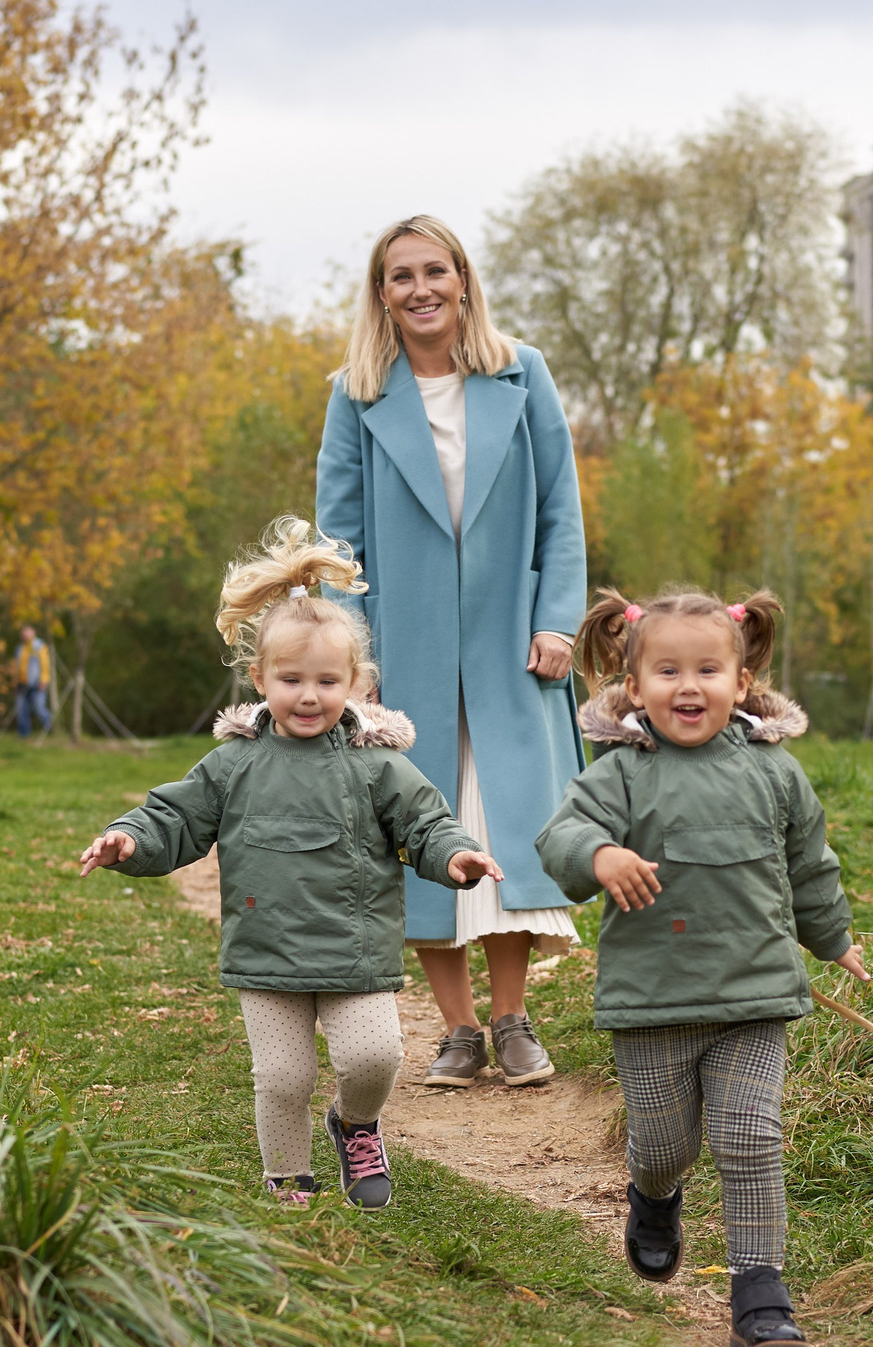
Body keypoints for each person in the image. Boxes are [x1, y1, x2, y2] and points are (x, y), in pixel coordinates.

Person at [79, 518, 500, 1209]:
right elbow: (176, 816)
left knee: (374, 1057)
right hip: (267, 949)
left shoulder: (376, 765)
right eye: (292, 679)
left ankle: (356, 1123)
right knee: (282, 1077)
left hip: (354, 948)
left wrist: (455, 855)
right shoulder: (234, 762)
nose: (309, 695)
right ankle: (288, 1186)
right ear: (259, 678)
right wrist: (130, 839)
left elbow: (425, 821)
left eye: (327, 680)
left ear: (358, 685)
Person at [536, 588, 866, 1347]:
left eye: (709, 669)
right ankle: (654, 1197)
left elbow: (809, 864)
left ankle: (761, 1291)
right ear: (634, 686)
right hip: (652, 1003)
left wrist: (832, 938)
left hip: (753, 998)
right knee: (661, 1145)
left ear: (742, 681)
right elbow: (561, 836)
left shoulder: (776, 772)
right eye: (669, 671)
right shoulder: (619, 774)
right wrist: (600, 854)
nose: (690, 686)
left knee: (750, 1137)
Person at [317, 215, 586, 1092]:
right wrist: (349, 654)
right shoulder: (357, 394)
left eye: (436, 270)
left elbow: (561, 512)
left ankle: (512, 1019)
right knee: (420, 826)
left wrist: (558, 619)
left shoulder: (521, 373)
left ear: (463, 280)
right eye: (401, 276)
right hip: (408, 649)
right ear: (382, 294)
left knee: (509, 817)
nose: (421, 288)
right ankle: (458, 1029)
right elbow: (338, 538)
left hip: (512, 637)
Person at [11, 625, 54, 738]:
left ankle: (51, 729)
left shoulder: (39, 646)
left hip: (36, 684)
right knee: (21, 710)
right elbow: (16, 666)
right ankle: (24, 735)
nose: (25, 635)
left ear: (33, 633)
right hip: (22, 684)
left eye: (27, 633)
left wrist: (44, 680)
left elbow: (45, 665)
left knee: (39, 707)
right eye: (23, 633)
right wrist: (15, 682)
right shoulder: (20, 648)